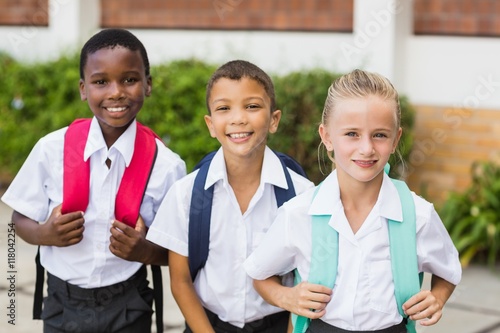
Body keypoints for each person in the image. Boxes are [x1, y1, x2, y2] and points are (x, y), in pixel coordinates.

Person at [244, 69, 462, 333]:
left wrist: (437, 297)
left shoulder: (419, 215)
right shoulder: (298, 213)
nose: (367, 148)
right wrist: (285, 297)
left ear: (396, 140)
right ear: (326, 137)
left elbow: (448, 271)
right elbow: (259, 273)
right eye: (352, 134)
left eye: (380, 135)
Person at [1, 28, 186, 333]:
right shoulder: (52, 150)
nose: (116, 92)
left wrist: (145, 251)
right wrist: (45, 233)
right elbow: (19, 220)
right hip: (62, 304)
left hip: (130, 303)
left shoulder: (166, 166)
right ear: (83, 89)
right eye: (101, 82)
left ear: (148, 85)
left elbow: (177, 252)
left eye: (130, 79)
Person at [146, 60, 314, 333]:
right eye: (224, 108)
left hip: (278, 325)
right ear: (211, 125)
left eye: (252, 106)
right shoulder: (185, 194)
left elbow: (304, 278)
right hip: (207, 325)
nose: (238, 118)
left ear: (274, 120)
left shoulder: (302, 195)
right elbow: (180, 281)